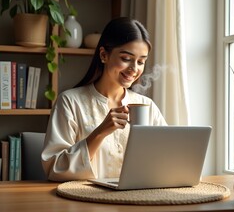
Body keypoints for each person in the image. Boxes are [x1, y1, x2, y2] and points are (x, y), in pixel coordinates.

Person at [41, 17, 167, 182]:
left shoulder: (147, 106)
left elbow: (166, 160)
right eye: (126, 59)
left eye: (141, 61)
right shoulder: (69, 102)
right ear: (103, 55)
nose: (134, 69)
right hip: (85, 202)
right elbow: (54, 168)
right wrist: (100, 132)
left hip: (137, 200)